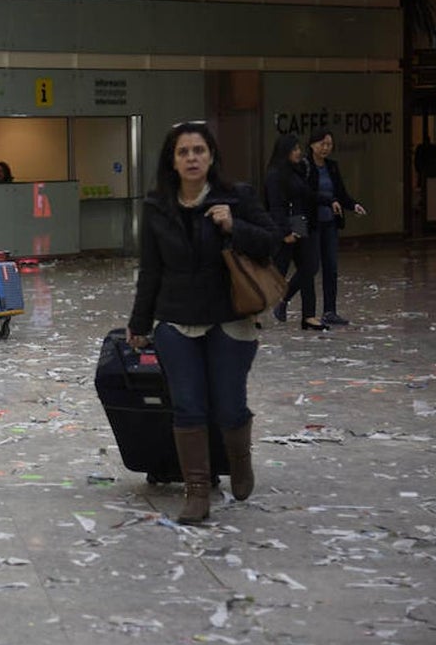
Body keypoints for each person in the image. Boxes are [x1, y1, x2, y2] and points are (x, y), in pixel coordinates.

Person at [125, 122, 277, 524]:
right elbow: (150, 271)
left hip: (230, 319)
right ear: (172, 162)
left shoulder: (237, 197)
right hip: (176, 322)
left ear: (211, 157)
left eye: (199, 151)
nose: (192, 158)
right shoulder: (157, 206)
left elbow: (272, 241)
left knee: (229, 406)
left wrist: (235, 226)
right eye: (183, 152)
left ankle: (239, 461)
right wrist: (139, 323)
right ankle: (196, 491)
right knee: (188, 406)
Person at [264, 134, 329, 331]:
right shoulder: (275, 174)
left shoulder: (296, 171)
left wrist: (330, 200)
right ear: (285, 152)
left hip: (299, 221)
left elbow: (306, 195)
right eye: (294, 149)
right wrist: (285, 232)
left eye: (298, 148)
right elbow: (275, 206)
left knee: (309, 267)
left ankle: (308, 315)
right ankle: (253, 311)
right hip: (284, 225)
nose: (298, 152)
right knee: (277, 272)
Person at [306, 129, 367, 326]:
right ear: (312, 144)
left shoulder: (332, 167)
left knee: (331, 268)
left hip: (330, 224)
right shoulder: (305, 167)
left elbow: (341, 193)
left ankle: (330, 311)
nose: (325, 148)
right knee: (310, 267)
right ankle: (303, 310)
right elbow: (305, 195)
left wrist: (353, 205)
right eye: (322, 144)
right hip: (312, 225)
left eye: (329, 145)